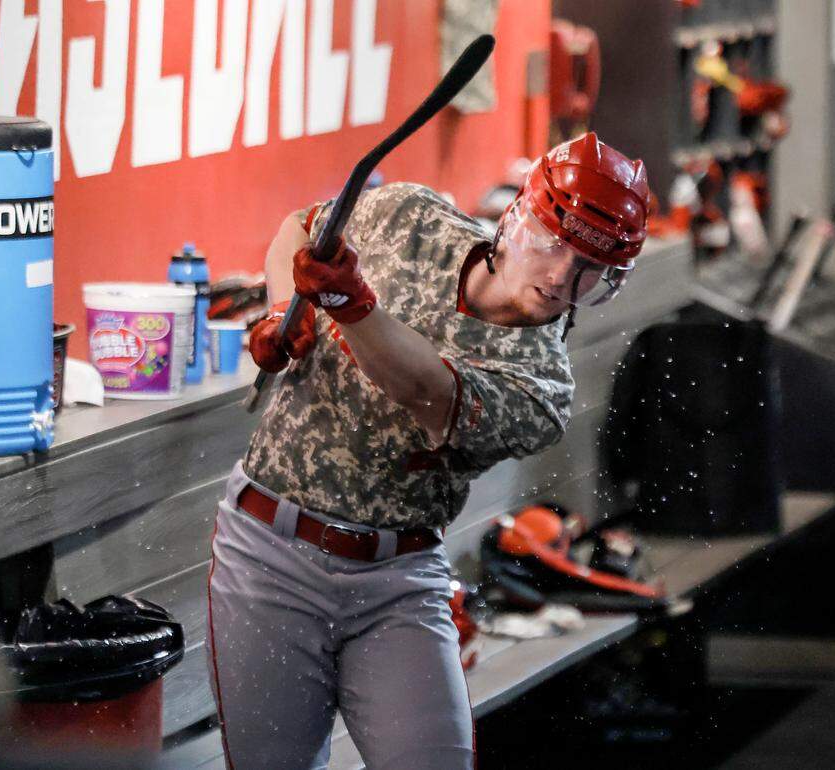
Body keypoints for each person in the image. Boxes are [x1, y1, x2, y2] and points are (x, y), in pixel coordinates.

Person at [206, 133, 650, 768]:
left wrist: (350, 305)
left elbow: (425, 389)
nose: (559, 278)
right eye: (553, 244)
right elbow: (295, 233)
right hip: (268, 556)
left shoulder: (543, 386)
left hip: (397, 580)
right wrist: (287, 313)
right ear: (518, 217)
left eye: (588, 269)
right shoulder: (407, 215)